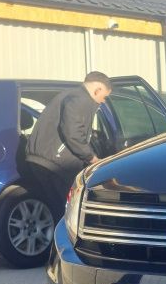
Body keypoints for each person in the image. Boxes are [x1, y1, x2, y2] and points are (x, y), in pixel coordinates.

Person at [24, 71, 113, 220]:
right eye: (104, 96)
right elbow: (73, 133)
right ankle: (66, 241)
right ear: (97, 89)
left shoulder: (71, 95)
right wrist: (91, 158)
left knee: (56, 208)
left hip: (45, 159)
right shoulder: (80, 100)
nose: (103, 101)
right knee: (68, 210)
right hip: (55, 163)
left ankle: (51, 239)